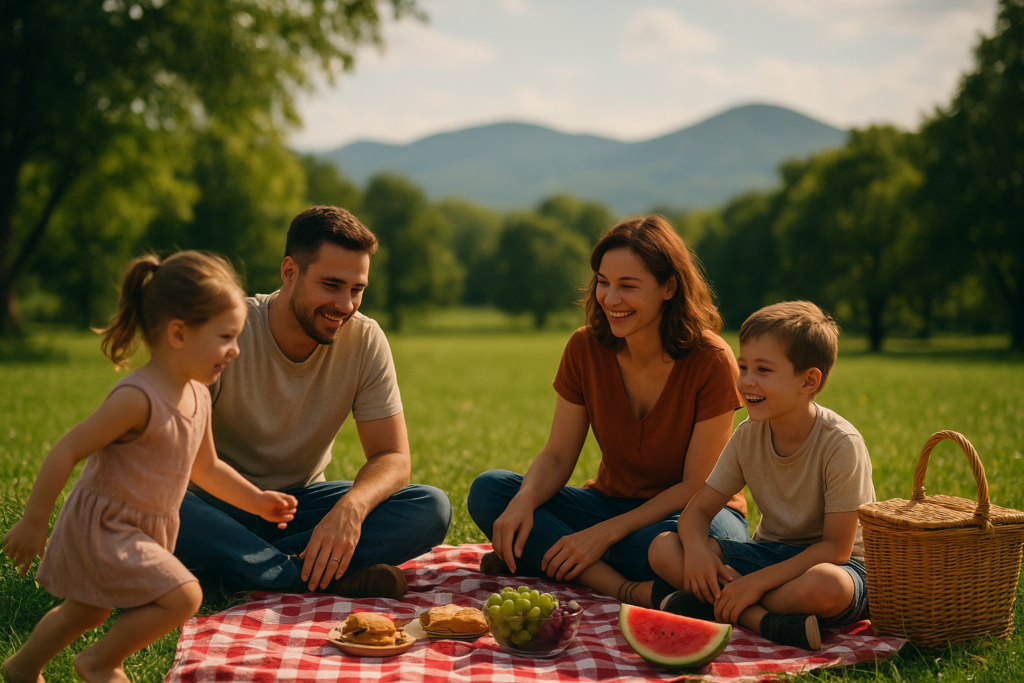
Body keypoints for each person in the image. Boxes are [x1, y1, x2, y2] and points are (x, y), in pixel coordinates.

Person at [2, 252, 299, 683]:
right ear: (178, 333)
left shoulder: (198, 395)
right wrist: (33, 522)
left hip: (145, 527)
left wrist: (257, 501)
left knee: (86, 611)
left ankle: (22, 667)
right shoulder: (137, 398)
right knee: (183, 596)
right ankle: (100, 661)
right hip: (105, 526)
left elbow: (208, 469)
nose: (235, 350)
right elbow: (65, 450)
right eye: (225, 337)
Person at [467, 215, 749, 603]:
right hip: (610, 504)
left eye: (627, 286)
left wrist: (602, 535)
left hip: (696, 515)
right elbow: (557, 454)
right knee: (491, 491)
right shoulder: (584, 348)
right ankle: (622, 583)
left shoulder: (711, 360)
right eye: (603, 282)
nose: (610, 299)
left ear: (669, 287)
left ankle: (563, 563)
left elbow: (695, 485)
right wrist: (523, 502)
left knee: (677, 548)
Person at [173, 206, 451, 599]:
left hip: (299, 507)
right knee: (164, 500)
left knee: (430, 508)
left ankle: (239, 570)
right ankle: (297, 574)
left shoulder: (366, 340)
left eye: (357, 290)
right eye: (332, 285)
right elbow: (171, 460)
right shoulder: (227, 331)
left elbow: (392, 456)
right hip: (214, 509)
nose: (346, 304)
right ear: (290, 272)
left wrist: (351, 509)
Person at [647, 301, 874, 651]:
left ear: (808, 381)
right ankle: (761, 620)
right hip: (767, 554)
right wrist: (695, 550)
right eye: (743, 366)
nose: (746, 381)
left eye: (763, 370)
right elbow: (698, 511)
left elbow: (836, 548)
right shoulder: (747, 435)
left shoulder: (840, 444)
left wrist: (754, 584)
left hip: (833, 567)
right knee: (663, 547)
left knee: (827, 588)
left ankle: (715, 603)